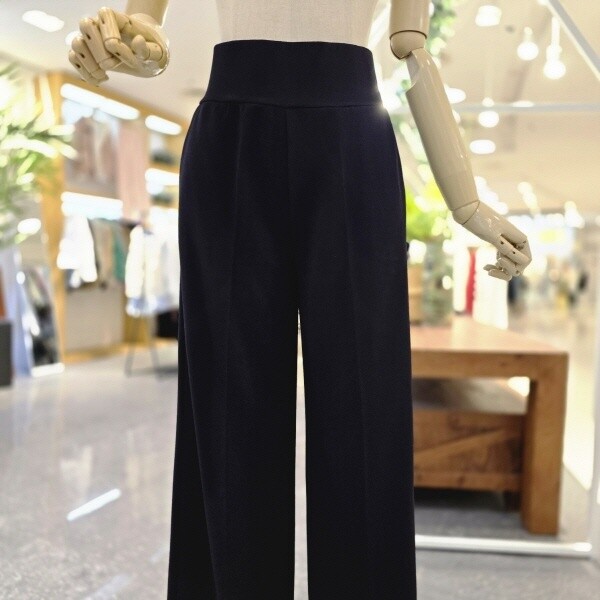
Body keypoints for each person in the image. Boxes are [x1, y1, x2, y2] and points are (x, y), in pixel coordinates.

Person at [68, 2, 532, 598]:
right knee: (226, 408)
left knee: (366, 404)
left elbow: (411, 45)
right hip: (232, 134)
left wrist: (467, 203)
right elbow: (145, 24)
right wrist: (133, 44)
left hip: (354, 134)